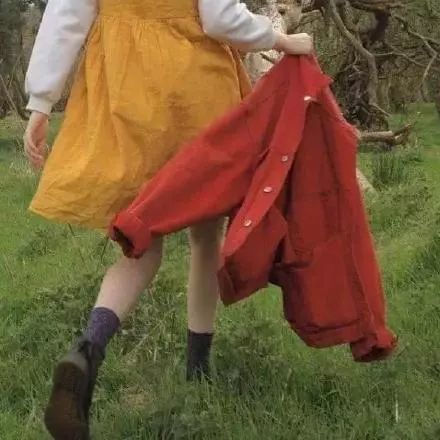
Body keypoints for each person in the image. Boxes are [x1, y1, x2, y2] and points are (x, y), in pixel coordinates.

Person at [24, 0, 313, 438]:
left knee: (139, 240)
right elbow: (220, 18)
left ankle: (88, 348)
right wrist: (280, 39)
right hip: (196, 88)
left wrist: (41, 102)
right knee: (206, 237)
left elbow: (66, 17)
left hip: (125, 93)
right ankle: (198, 370)